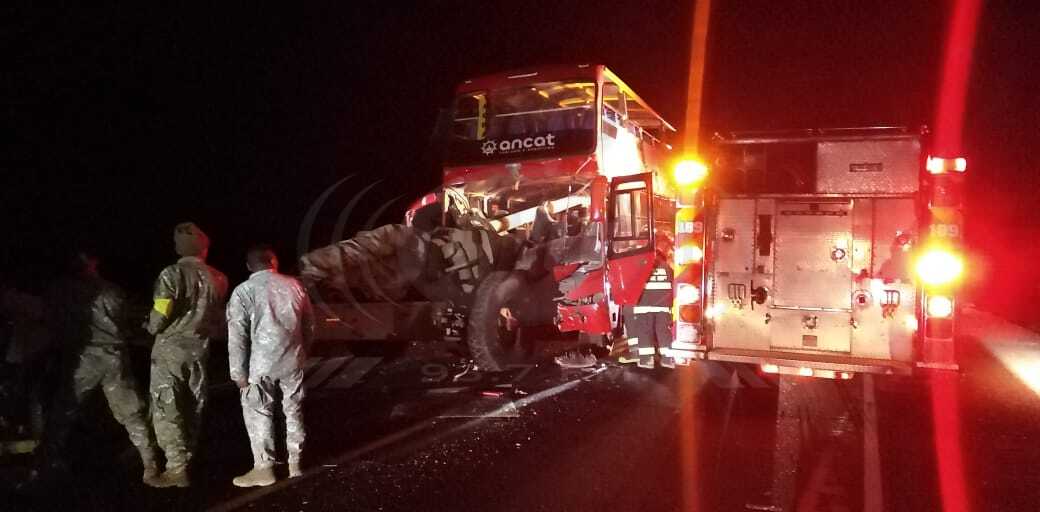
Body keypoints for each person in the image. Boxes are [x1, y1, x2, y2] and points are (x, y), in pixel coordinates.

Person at [36, 250, 160, 485]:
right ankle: (150, 463)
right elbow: (126, 322)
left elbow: (51, 320)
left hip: (81, 359)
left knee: (63, 413)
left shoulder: (60, 290)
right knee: (130, 412)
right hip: (113, 358)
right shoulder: (111, 291)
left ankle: (46, 464)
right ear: (95, 262)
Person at [147, 222, 228, 488]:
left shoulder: (172, 274)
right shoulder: (219, 278)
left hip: (170, 350)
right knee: (194, 405)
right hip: (200, 349)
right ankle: (188, 460)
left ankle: (176, 468)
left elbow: (161, 312)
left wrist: (150, 326)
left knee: (167, 407)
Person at [226, 244, 314, 487]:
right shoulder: (295, 286)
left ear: (248, 266)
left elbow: (237, 336)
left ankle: (264, 468)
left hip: (260, 363)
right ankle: (295, 463)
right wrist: (303, 352)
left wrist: (237, 372)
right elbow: (309, 325)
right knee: (293, 409)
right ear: (274, 262)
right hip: (292, 359)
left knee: (259, 412)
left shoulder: (243, 291)